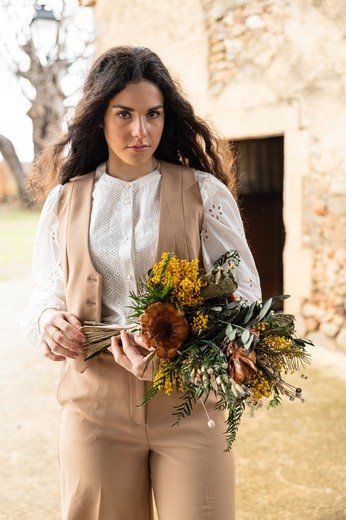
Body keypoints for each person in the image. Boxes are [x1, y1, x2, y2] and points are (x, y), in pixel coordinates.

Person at [22, 46, 261, 520]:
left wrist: (192, 340)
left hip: (189, 404)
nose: (140, 130)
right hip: (95, 409)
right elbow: (45, 290)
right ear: (99, 118)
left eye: (153, 114)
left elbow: (244, 297)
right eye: (124, 114)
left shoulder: (204, 193)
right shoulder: (65, 202)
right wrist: (50, 319)